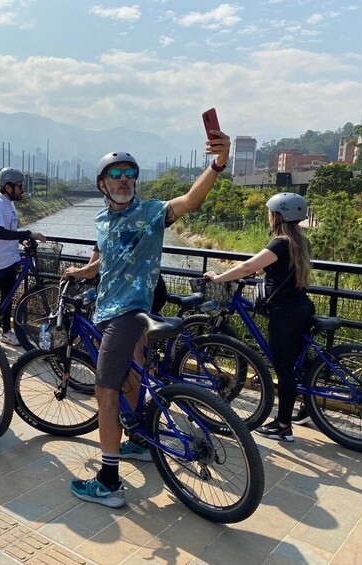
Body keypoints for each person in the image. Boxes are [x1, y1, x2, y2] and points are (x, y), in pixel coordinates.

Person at [65, 132, 231, 508]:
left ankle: (108, 482)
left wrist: (217, 164)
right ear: (103, 184)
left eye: (129, 173)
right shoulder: (101, 220)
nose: (124, 179)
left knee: (104, 394)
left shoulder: (152, 212)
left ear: (135, 180)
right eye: (115, 174)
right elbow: (105, 262)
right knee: (132, 377)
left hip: (128, 312)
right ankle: (138, 440)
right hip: (107, 310)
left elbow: (190, 200)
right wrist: (81, 272)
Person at [204, 192, 314, 442]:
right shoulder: (299, 242)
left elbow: (248, 268)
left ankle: (283, 426)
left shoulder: (280, 242)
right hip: (301, 306)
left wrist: (218, 277)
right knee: (298, 362)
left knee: (284, 368)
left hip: (284, 312)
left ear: (278, 215)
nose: (268, 216)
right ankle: (308, 409)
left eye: (270, 213)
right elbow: (266, 266)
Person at [0, 167, 46, 345]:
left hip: (10, 259)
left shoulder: (10, 203)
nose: (22, 189)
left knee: (7, 299)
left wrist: (21, 242)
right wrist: (28, 234)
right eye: (19, 186)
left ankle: (6, 332)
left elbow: (10, 231)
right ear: (8, 187)